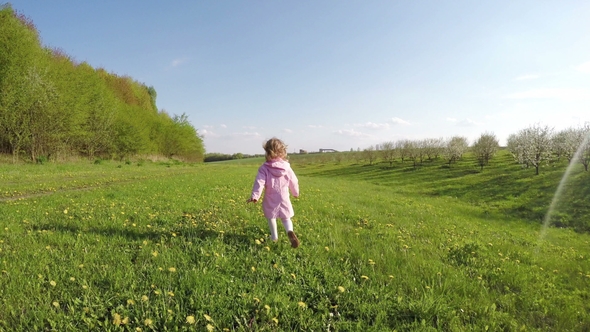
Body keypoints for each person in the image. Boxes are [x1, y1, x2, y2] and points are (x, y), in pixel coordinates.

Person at [247, 138, 300, 248]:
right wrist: (295, 192)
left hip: (270, 196)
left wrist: (255, 196)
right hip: (284, 196)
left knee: (271, 217)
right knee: (286, 217)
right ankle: (289, 230)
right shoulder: (287, 167)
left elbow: (259, 183)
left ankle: (274, 237)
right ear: (282, 151)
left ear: (267, 151)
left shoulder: (264, 168)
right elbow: (294, 180)